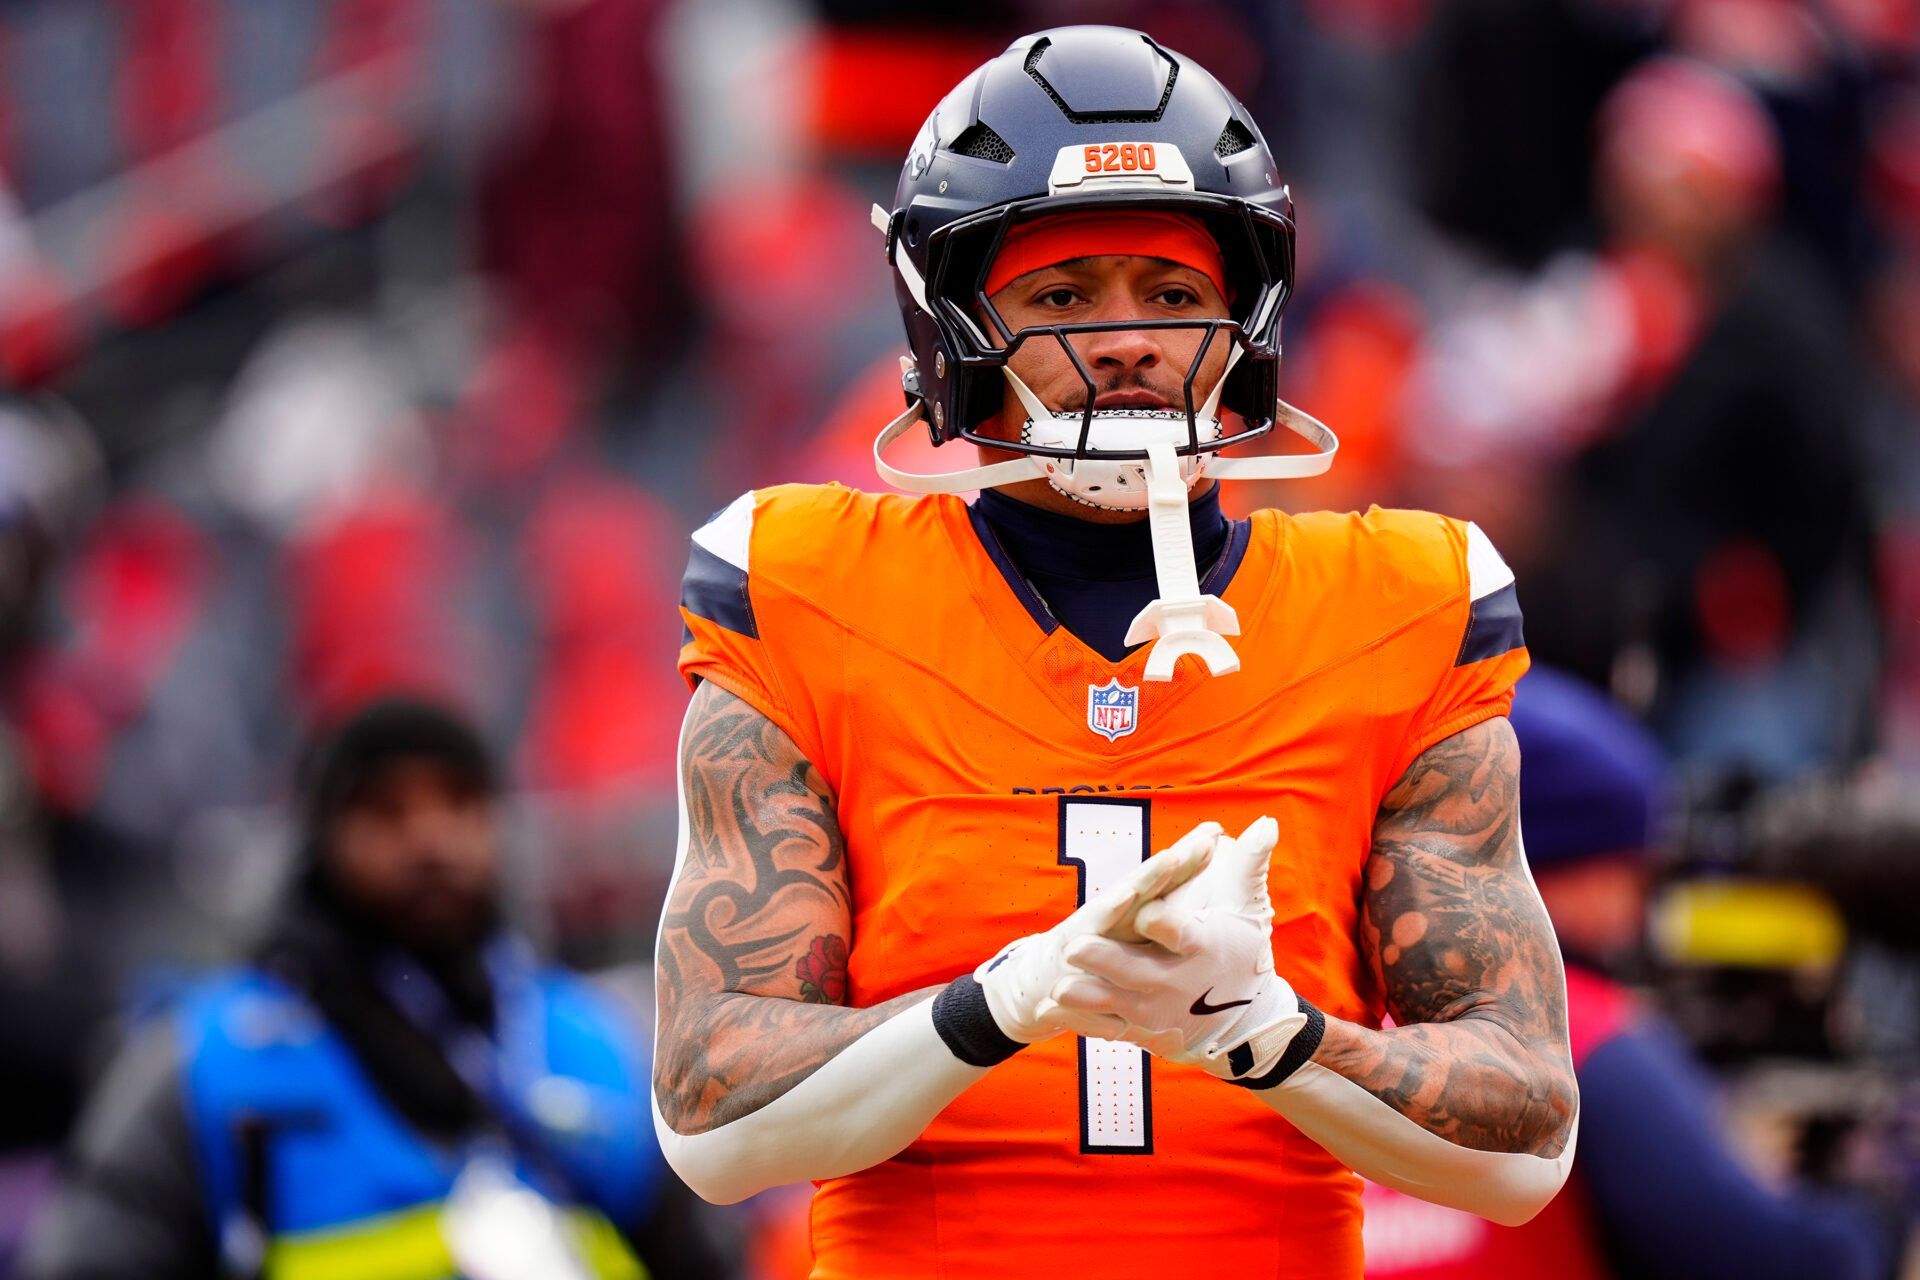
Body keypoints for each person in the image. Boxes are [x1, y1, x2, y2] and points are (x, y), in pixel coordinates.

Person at [655, 25, 1576, 1278]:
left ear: (1242, 316)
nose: (1129, 338)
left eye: (1173, 292)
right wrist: (1007, 1001)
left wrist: (1271, 1035)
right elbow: (712, 1114)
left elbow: (1523, 1139)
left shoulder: (1401, 600)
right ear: (952, 328)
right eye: (1063, 294)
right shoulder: (808, 584)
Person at [22, 696, 722, 1280]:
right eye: (386, 811)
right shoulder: (207, 1063)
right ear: (320, 837)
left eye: (459, 803)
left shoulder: (601, 1048)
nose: (431, 841)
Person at [1362, 665, 1897, 1279]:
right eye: (1632, 874)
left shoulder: (1328, 1007)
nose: (1645, 909)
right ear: (1543, 864)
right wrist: (1877, 1200)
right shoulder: (1584, 1041)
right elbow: (1785, 1263)